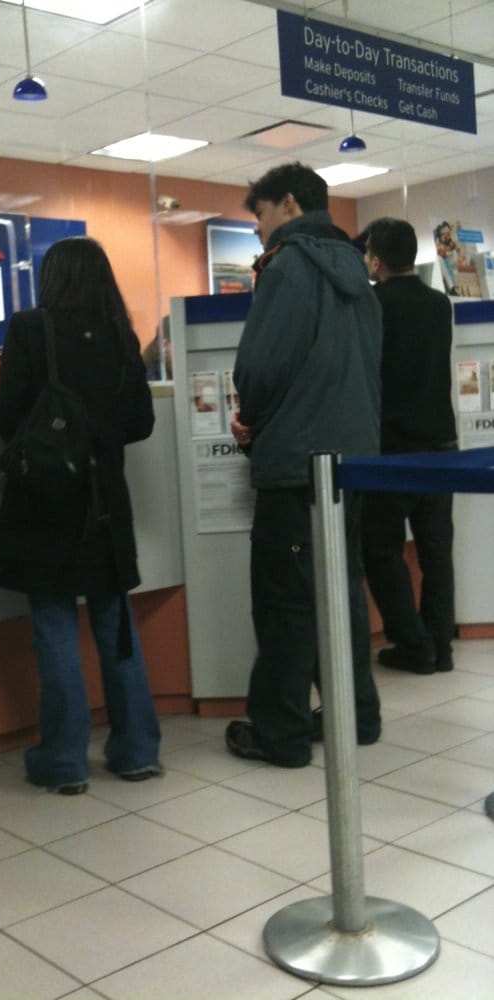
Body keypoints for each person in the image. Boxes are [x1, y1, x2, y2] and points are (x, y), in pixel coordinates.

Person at [0, 236, 162, 795]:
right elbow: (141, 423)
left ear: (52, 277)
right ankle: (136, 751)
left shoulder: (30, 329)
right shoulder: (120, 335)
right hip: (105, 502)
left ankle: (63, 762)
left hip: (47, 502)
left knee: (54, 629)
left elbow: (6, 416)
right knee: (117, 627)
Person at [225, 161, 382, 767]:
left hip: (295, 463)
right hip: (352, 464)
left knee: (286, 602)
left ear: (287, 203)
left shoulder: (288, 266)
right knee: (342, 589)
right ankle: (355, 714)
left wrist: (250, 417)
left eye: (261, 217)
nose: (259, 231)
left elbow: (261, 367)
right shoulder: (359, 271)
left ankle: (282, 733)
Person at [361, 217, 457, 673]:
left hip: (392, 446)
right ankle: (441, 646)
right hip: (441, 442)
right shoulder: (439, 304)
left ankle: (415, 645)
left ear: (375, 260)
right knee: (436, 550)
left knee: (381, 548)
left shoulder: (371, 305)